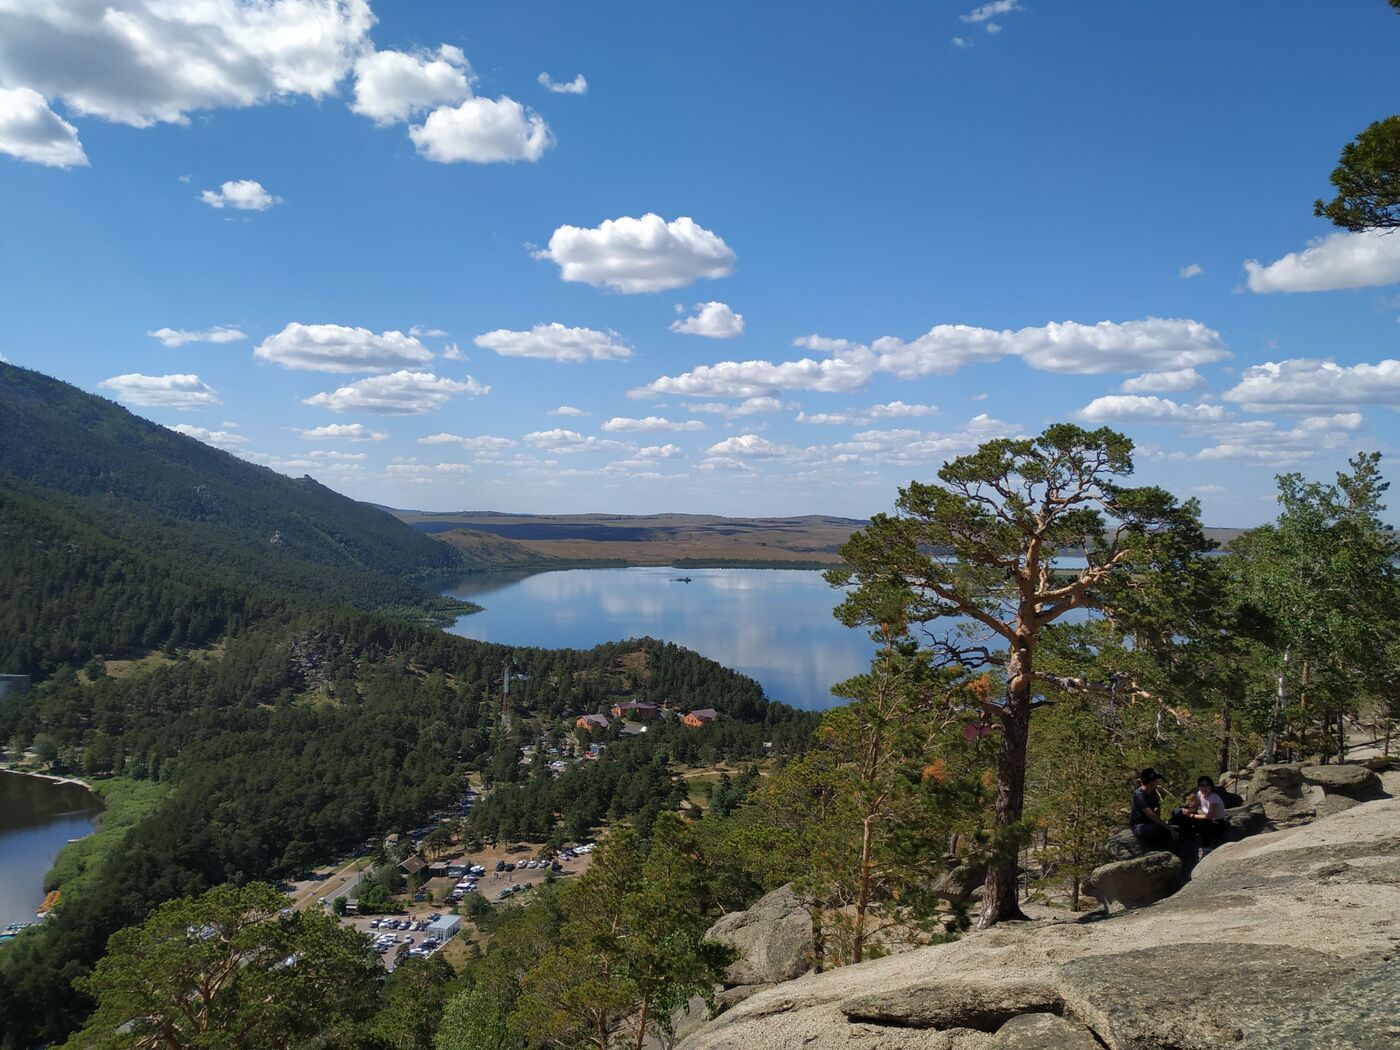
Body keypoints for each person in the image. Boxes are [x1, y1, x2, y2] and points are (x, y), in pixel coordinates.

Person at [1130, 768, 1177, 849]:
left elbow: (1156, 811)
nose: (1158, 782)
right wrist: (1167, 827)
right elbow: (1151, 815)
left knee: (1175, 826)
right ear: (1151, 782)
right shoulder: (1139, 795)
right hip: (1139, 826)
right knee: (1163, 828)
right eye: (1156, 780)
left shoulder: (1153, 792)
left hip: (1151, 823)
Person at [1193, 776, 1229, 852]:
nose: (1204, 788)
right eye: (1201, 785)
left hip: (1218, 824)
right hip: (1209, 821)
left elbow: (1209, 816)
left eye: (1207, 785)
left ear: (1211, 786)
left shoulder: (1214, 798)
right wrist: (1186, 811)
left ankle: (1207, 846)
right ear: (1198, 787)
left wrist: (1191, 815)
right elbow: (1195, 807)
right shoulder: (1199, 794)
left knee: (1204, 822)